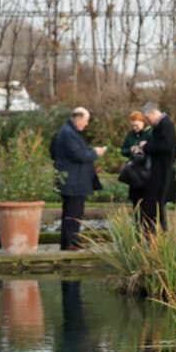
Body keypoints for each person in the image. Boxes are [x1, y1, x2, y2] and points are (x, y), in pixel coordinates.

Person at [52, 107, 107, 250]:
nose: (87, 124)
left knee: (75, 212)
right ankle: (69, 242)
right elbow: (78, 155)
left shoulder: (70, 132)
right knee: (72, 213)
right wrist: (95, 153)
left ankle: (72, 240)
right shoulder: (68, 133)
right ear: (78, 118)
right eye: (86, 120)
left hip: (75, 180)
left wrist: (91, 152)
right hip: (73, 181)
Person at [140, 102, 176, 232]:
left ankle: (158, 233)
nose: (147, 121)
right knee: (155, 204)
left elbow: (166, 146)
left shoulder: (165, 125)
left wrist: (146, 146)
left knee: (157, 203)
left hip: (162, 171)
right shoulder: (161, 125)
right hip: (159, 170)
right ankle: (156, 232)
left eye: (147, 118)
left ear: (152, 113)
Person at [120, 111, 150, 212]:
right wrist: (131, 150)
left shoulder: (149, 133)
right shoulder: (130, 134)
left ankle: (147, 225)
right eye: (132, 126)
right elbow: (123, 150)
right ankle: (137, 225)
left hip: (146, 171)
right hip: (133, 172)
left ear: (143, 122)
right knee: (135, 202)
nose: (134, 128)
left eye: (136, 125)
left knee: (147, 202)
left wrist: (143, 150)